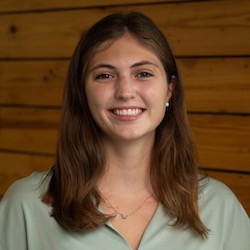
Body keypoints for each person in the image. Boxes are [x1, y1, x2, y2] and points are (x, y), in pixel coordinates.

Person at [0, 11, 249, 250]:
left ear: (169, 90)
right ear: (82, 91)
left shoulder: (220, 207)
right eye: (105, 75)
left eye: (143, 73)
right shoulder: (26, 205)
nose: (125, 91)